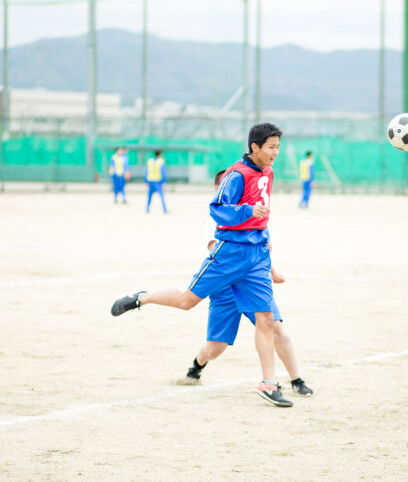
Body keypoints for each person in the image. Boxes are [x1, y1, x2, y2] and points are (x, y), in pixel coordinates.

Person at [110, 123, 291, 407]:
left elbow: (262, 215)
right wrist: (246, 211)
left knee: (266, 319)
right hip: (230, 253)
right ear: (254, 146)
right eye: (271, 147)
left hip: (256, 256)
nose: (275, 152)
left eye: (278, 147)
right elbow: (217, 208)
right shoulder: (236, 174)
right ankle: (141, 298)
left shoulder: (267, 172)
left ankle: (268, 383)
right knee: (186, 301)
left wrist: (267, 253)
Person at [180, 170, 313, 399]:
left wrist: (272, 271)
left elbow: (259, 250)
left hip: (252, 282)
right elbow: (218, 252)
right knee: (215, 347)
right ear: (218, 191)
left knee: (275, 327)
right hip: (225, 287)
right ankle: (198, 364)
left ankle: (296, 379)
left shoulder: (253, 214)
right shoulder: (213, 219)